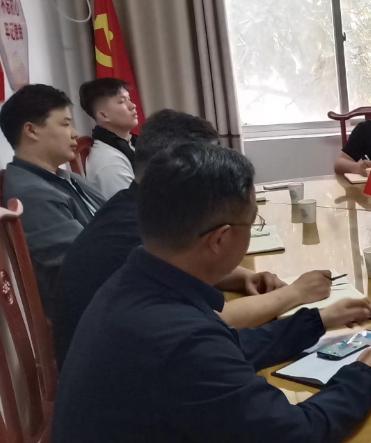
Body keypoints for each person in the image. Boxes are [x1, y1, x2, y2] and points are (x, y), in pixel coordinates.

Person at [52, 142, 371, 442]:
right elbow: (295, 433)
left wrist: (317, 321)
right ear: (220, 239)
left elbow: (229, 347)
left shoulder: (134, 282)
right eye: (252, 222)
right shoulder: (179, 339)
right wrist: (365, 376)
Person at [54, 110, 332, 369]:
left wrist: (243, 277)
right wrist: (295, 293)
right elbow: (214, 324)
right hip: (124, 373)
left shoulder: (138, 207)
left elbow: (182, 264)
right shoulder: (135, 231)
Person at [0, 84, 105, 326]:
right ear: (31, 130)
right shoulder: (31, 193)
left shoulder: (66, 177)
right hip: (94, 317)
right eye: (65, 124)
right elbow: (86, 266)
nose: (75, 133)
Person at [79, 77, 139, 199]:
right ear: (103, 115)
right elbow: (130, 207)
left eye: (129, 99)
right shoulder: (109, 163)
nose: (132, 105)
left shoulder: (131, 143)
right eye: (121, 101)